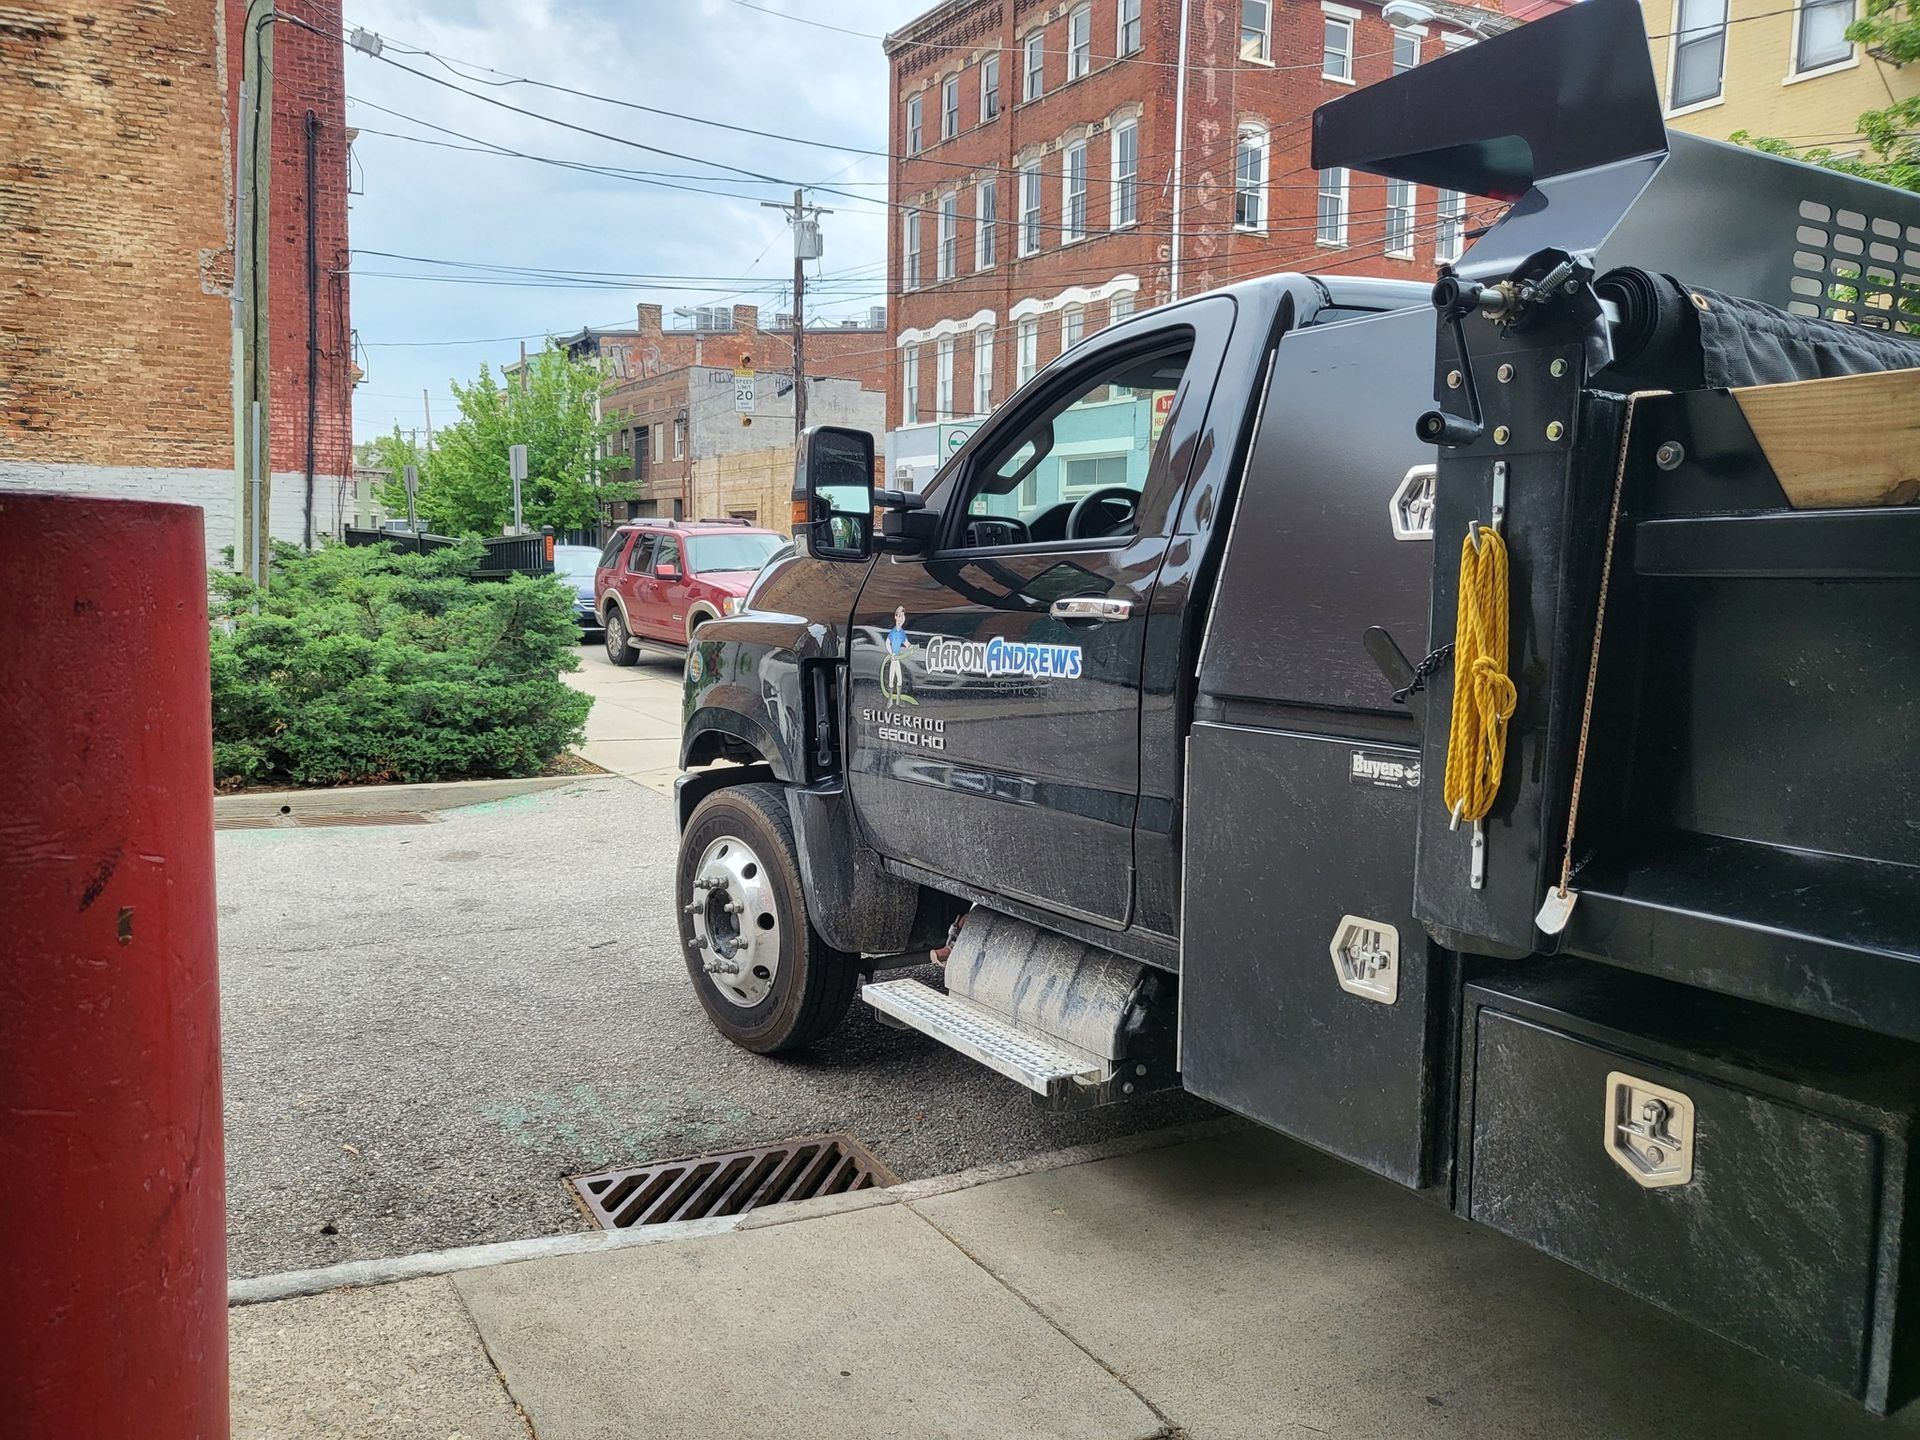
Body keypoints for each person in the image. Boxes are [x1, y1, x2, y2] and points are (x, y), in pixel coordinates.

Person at [883, 605, 915, 704]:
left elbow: (906, 643)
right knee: (892, 678)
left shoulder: (902, 633)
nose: (902, 618)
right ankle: (890, 700)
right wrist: (891, 653)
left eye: (903, 616)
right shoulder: (892, 632)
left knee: (900, 679)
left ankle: (897, 700)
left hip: (898, 658)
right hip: (894, 658)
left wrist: (912, 648)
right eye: (900, 616)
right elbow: (887, 642)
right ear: (896, 616)